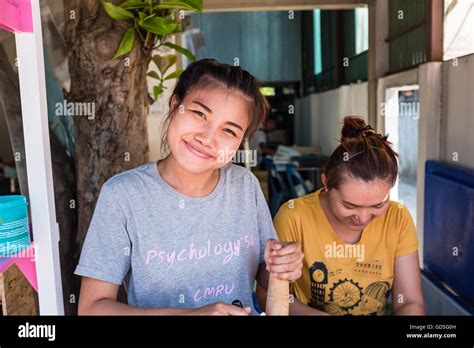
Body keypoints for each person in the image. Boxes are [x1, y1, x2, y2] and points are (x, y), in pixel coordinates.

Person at [75, 59, 303, 315]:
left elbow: (263, 272)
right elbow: (92, 308)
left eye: (229, 131)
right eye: (199, 114)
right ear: (175, 106)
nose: (207, 138)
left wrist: (280, 264)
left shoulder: (245, 186)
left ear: (240, 142)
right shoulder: (123, 195)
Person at [258, 116, 424, 316]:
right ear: (326, 183)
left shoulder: (398, 218)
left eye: (378, 205)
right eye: (350, 205)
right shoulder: (294, 216)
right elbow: (267, 294)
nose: (363, 218)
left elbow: (409, 302)